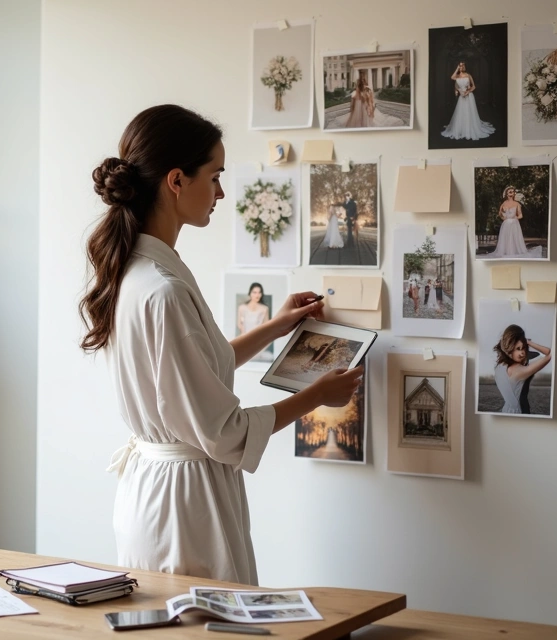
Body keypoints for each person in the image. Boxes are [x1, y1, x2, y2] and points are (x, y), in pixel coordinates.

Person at [80, 105, 364, 585]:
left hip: (155, 494)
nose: (220, 192)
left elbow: (196, 371)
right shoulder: (164, 290)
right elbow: (225, 432)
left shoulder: (138, 272)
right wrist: (317, 395)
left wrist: (276, 326)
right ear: (176, 180)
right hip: (185, 509)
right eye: (214, 177)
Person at [491, 324, 552, 414]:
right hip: (520, 412)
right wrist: (529, 342)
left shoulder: (499, 366)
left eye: (524, 348)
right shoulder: (518, 371)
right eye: (518, 348)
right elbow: (550, 354)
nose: (522, 353)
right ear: (510, 347)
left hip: (506, 410)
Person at [484, 186, 544, 259]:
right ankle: (506, 251)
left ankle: (514, 251)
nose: (511, 192)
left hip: (514, 223)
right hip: (506, 224)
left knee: (513, 237)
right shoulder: (504, 203)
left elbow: (521, 215)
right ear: (506, 193)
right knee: (506, 238)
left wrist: (515, 218)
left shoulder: (516, 204)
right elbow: (500, 213)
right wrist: (504, 218)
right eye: (510, 191)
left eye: (513, 192)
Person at [440, 62, 495, 141]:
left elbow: (474, 86)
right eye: (460, 66)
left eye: (462, 65)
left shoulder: (468, 75)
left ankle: (470, 128)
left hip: (469, 96)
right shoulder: (457, 76)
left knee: (469, 112)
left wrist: (467, 92)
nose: (461, 67)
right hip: (461, 97)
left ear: (465, 66)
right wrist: (457, 69)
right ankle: (462, 128)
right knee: (461, 112)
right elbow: (452, 77)